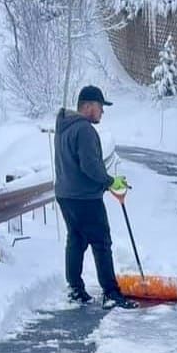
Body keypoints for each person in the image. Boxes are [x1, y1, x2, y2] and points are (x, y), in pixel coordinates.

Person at [54, 85, 138, 310]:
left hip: (65, 195)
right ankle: (111, 293)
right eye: (100, 107)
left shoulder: (64, 127)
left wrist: (105, 181)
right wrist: (110, 181)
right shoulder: (84, 130)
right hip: (85, 198)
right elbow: (90, 165)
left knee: (76, 240)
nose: (102, 112)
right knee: (101, 243)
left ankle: (75, 289)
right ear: (88, 106)